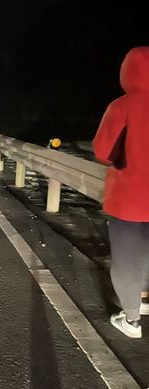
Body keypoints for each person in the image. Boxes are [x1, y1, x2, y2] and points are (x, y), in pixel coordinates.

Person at [93, 46, 149, 338]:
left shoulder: (122, 106)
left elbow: (103, 151)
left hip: (129, 197)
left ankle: (131, 320)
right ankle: (145, 298)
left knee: (127, 257)